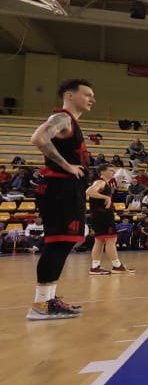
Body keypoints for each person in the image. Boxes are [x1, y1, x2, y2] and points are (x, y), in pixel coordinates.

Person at [27, 79, 95, 320]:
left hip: (67, 189)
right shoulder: (62, 118)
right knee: (59, 243)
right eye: (87, 94)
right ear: (69, 95)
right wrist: (66, 165)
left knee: (63, 243)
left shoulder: (71, 122)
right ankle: (41, 305)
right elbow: (38, 138)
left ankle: (47, 300)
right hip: (60, 188)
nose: (92, 99)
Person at [86, 165, 132, 276]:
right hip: (103, 216)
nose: (113, 172)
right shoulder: (100, 182)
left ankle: (95, 267)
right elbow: (89, 191)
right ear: (102, 172)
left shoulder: (104, 183)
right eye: (111, 170)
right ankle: (117, 266)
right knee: (111, 240)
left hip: (97, 216)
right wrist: (106, 198)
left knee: (99, 241)